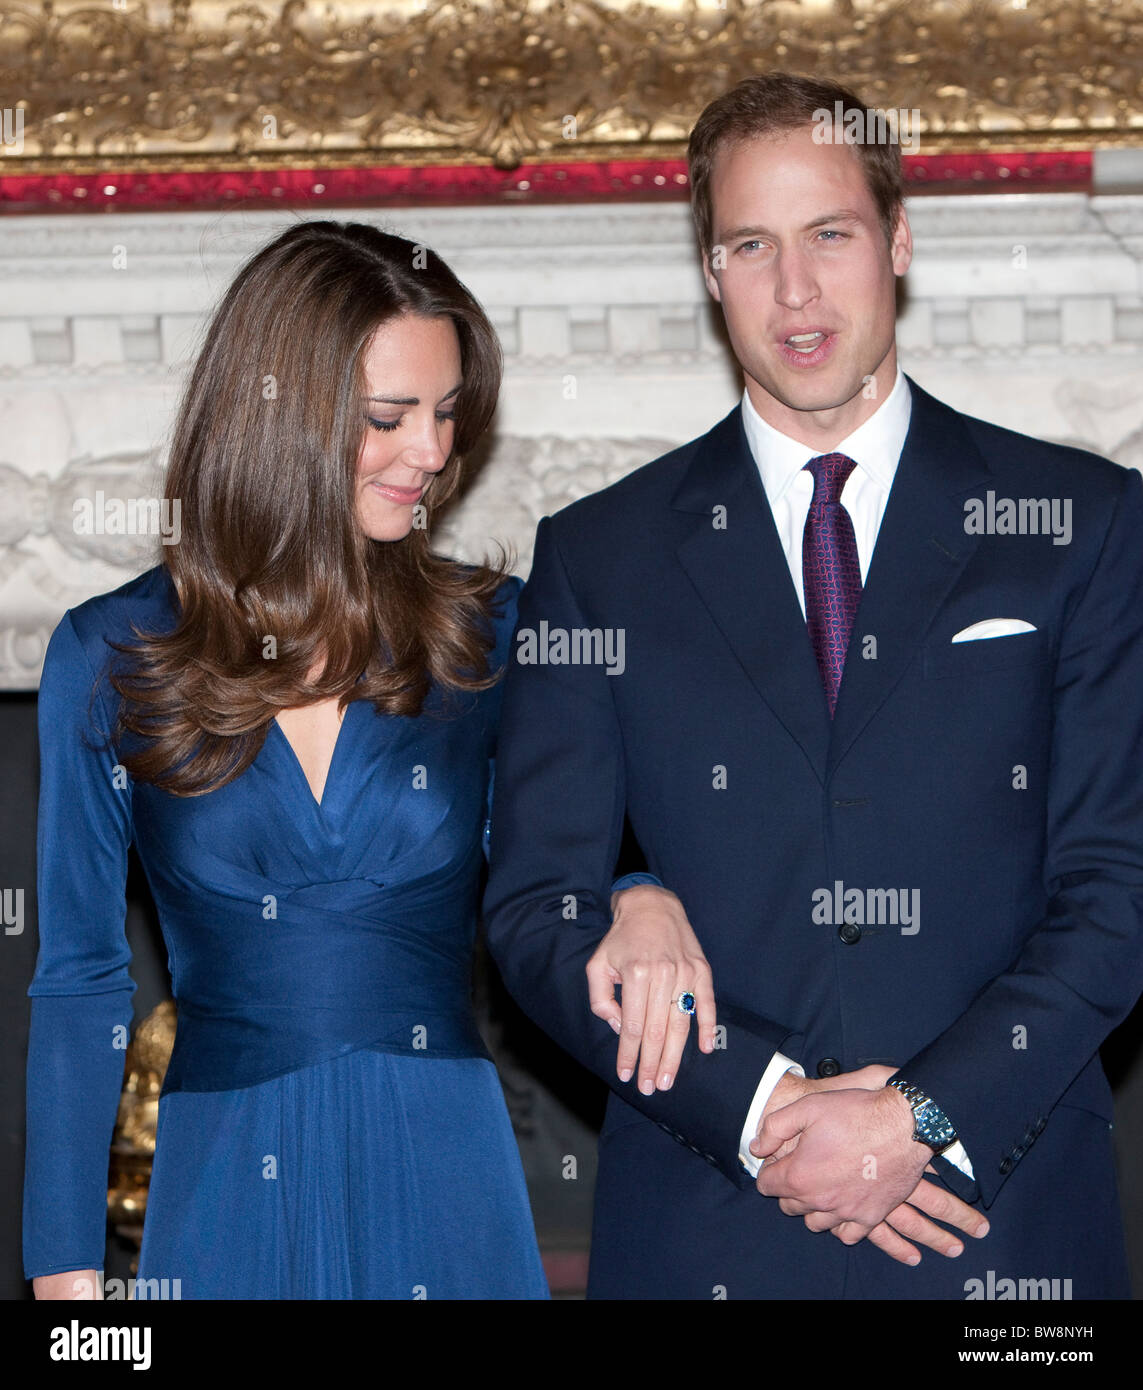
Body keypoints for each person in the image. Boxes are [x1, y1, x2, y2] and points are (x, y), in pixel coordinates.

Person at [483, 72, 1143, 1299]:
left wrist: (918, 1116)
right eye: (751, 244)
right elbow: (535, 908)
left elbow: (1120, 890)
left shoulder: (1084, 526)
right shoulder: (598, 556)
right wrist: (766, 1108)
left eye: (830, 233)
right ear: (710, 269)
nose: (795, 290)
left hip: (997, 1230)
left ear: (896, 239)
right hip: (708, 1219)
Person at [22, 220, 675, 1300]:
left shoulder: (495, 633)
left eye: (449, 414)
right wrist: (67, 1294)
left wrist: (645, 893)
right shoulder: (108, 653)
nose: (432, 451)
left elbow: (594, 843)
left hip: (446, 1168)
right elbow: (81, 982)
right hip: (222, 1182)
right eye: (390, 416)